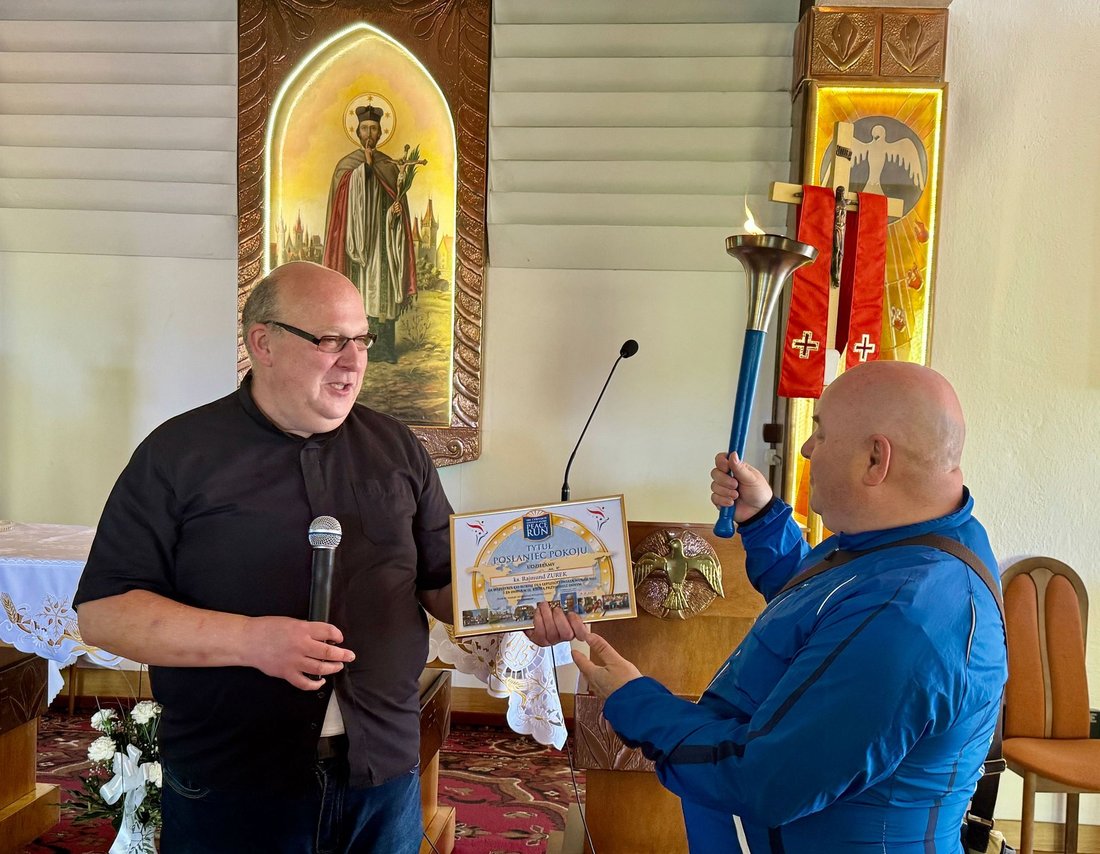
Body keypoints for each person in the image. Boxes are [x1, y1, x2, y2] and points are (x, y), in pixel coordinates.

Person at [530, 361, 1007, 853]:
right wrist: (762, 520)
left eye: (821, 432)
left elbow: (768, 780)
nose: (806, 448)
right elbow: (826, 610)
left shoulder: (909, 617)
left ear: (874, 459)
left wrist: (634, 701)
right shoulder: (907, 545)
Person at [75, 261, 453, 854]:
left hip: (383, 772)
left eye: (362, 340)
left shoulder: (398, 447)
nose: (353, 361)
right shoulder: (179, 454)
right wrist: (252, 641)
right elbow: (104, 613)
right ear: (263, 343)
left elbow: (442, 582)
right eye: (330, 340)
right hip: (234, 781)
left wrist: (518, 604)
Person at [323, 103, 418, 363]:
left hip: (383, 244)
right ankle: (355, 349)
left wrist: (395, 212)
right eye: (364, 128)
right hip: (356, 247)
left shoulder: (389, 166)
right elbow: (341, 207)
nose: (369, 133)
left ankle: (385, 348)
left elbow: (396, 205)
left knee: (383, 293)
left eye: (373, 128)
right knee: (360, 293)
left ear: (380, 132)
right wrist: (364, 168)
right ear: (357, 131)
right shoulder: (346, 166)